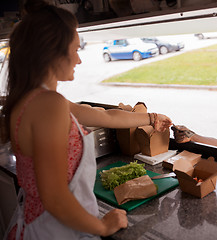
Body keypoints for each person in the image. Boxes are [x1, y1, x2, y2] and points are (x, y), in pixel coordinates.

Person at [2, 1, 172, 239]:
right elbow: (55, 198)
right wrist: (102, 226)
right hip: (55, 230)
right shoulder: (48, 106)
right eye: (75, 49)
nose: (78, 60)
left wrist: (152, 118)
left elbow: (105, 115)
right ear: (52, 51)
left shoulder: (35, 100)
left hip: (38, 224)